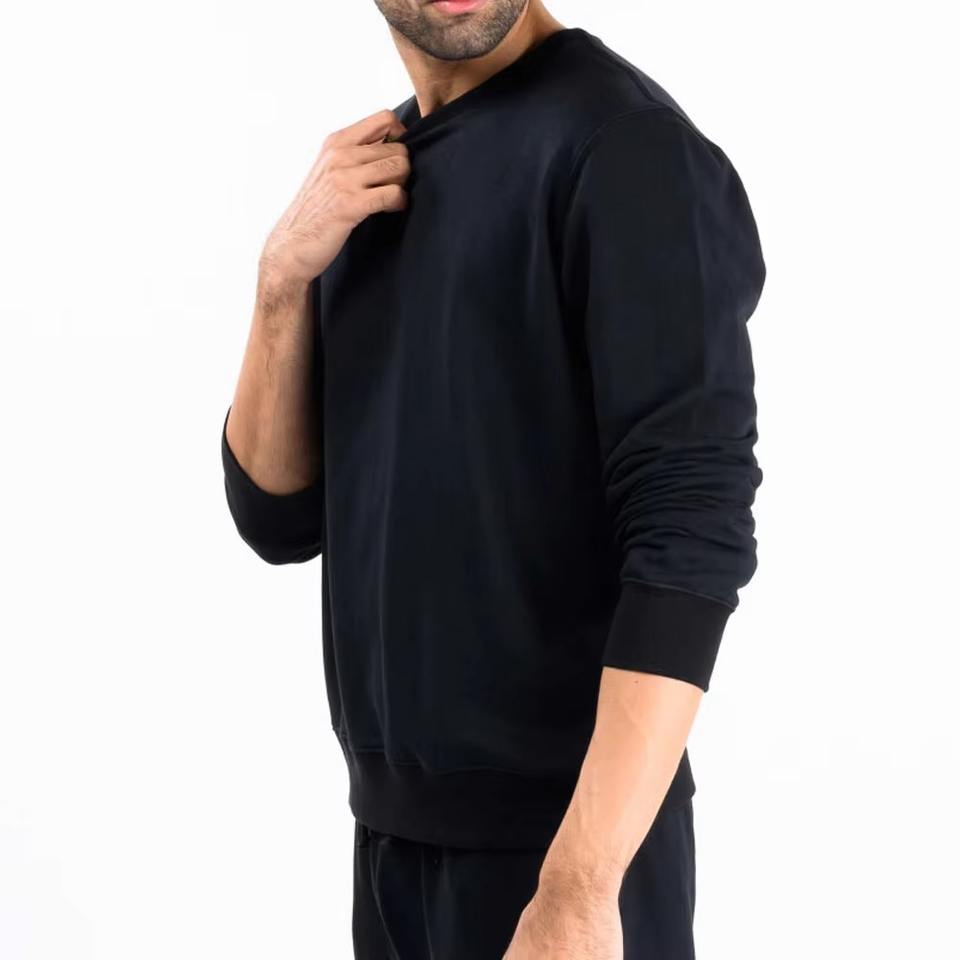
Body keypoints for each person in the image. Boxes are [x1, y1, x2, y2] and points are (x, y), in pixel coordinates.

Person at [220, 1, 766, 956]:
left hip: (565, 859)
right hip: (392, 851)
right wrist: (280, 282)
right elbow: (276, 515)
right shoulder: (371, 176)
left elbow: (691, 539)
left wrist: (580, 889)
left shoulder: (626, 149)